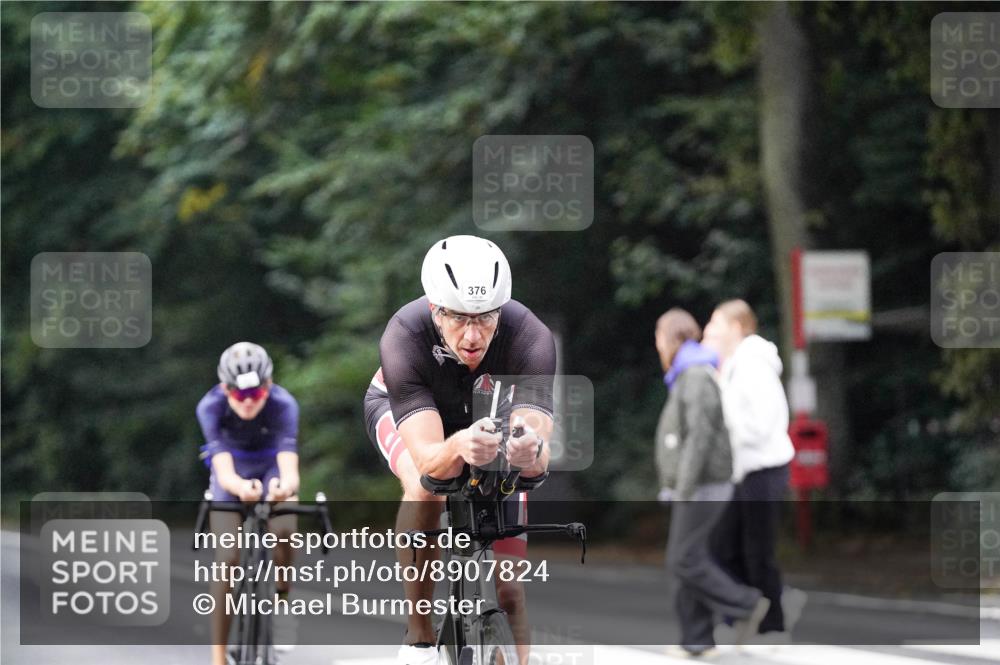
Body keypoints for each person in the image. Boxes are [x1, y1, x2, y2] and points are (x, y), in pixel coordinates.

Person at [364, 235, 555, 665]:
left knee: (510, 590)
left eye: (485, 318)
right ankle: (418, 635)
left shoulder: (530, 336)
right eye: (458, 318)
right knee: (425, 486)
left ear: (501, 310)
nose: (472, 336)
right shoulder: (404, 334)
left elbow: (538, 454)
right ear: (435, 309)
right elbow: (430, 461)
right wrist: (458, 444)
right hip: (407, 410)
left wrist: (527, 450)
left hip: (488, 412)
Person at [654, 308, 770, 657]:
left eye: (659, 336)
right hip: (698, 483)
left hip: (703, 484)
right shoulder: (688, 372)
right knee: (689, 558)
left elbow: (699, 437)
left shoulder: (694, 374)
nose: (657, 344)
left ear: (671, 337)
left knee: (683, 559)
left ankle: (747, 604)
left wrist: (684, 487)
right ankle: (698, 640)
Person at [703, 299, 803, 638]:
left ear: (736, 328)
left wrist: (725, 435)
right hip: (742, 471)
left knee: (757, 551)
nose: (708, 331)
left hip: (763, 468)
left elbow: (761, 423)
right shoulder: (733, 366)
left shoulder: (753, 364)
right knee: (725, 547)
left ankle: (772, 622)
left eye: (715, 324)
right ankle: (747, 613)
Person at [196, 341, 300, 665]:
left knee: (285, 527)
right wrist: (241, 487)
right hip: (232, 471)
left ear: (268, 386)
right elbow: (224, 472)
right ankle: (218, 658)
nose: (248, 401)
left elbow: (289, 470)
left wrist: (283, 489)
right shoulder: (209, 407)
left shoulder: (284, 404)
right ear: (224, 389)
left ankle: (282, 599)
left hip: (271, 466)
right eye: (239, 394)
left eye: (255, 393)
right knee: (227, 558)